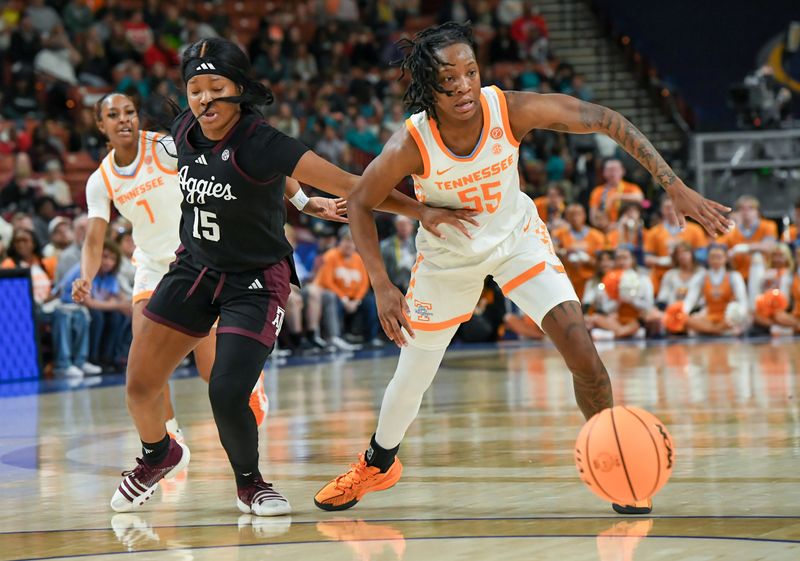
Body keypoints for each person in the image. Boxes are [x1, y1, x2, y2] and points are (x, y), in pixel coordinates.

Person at [314, 22, 731, 516]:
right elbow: (360, 201)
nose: (465, 84)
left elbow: (602, 118)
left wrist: (673, 186)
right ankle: (378, 462)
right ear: (429, 85)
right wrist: (382, 284)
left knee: (584, 353)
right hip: (447, 257)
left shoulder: (508, 109)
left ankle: (618, 468)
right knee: (414, 373)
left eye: (471, 71)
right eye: (450, 78)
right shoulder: (413, 142)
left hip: (517, 241)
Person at [94, 37, 476, 517]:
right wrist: (300, 200)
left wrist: (421, 210)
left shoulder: (264, 142)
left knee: (227, 391)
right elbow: (280, 181)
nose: (204, 99)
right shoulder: (186, 126)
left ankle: (250, 484)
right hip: (193, 267)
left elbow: (353, 185)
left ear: (239, 90)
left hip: (254, 278)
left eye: (216, 87)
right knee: (139, 385)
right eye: (195, 88)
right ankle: (158, 456)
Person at [588, 158, 643, 227]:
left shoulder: (631, 187)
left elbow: (639, 197)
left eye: (616, 170)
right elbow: (593, 217)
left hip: (626, 227)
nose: (613, 173)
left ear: (623, 171)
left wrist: (615, 196)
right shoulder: (598, 191)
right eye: (610, 170)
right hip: (606, 228)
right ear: (604, 172)